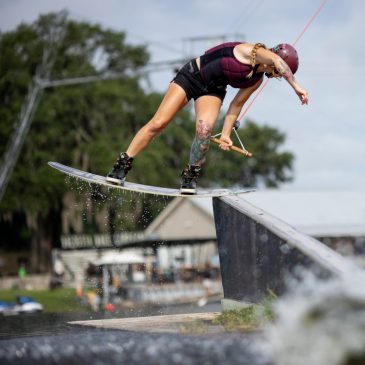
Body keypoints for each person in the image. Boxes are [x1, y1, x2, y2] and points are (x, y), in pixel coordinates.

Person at [106, 42, 309, 194]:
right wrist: (296, 87)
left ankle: (190, 175)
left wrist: (227, 135)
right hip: (191, 76)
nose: (278, 77)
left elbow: (236, 105)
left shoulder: (255, 81)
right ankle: (122, 164)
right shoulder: (252, 51)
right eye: (281, 74)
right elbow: (277, 62)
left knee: (204, 130)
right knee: (159, 123)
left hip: (212, 90)